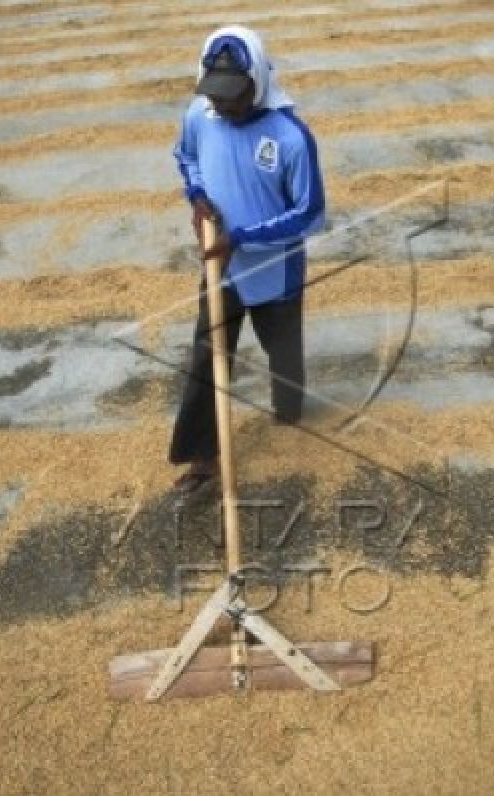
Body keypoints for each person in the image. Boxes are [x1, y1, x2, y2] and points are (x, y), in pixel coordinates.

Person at [168, 25, 326, 493]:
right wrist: (197, 197)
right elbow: (186, 158)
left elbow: (311, 214)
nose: (222, 105)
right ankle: (202, 458)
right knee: (207, 357)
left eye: (233, 96)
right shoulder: (200, 114)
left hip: (276, 274)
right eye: (215, 95)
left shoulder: (291, 137)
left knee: (284, 359)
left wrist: (241, 238)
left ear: (257, 82)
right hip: (222, 270)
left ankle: (289, 405)